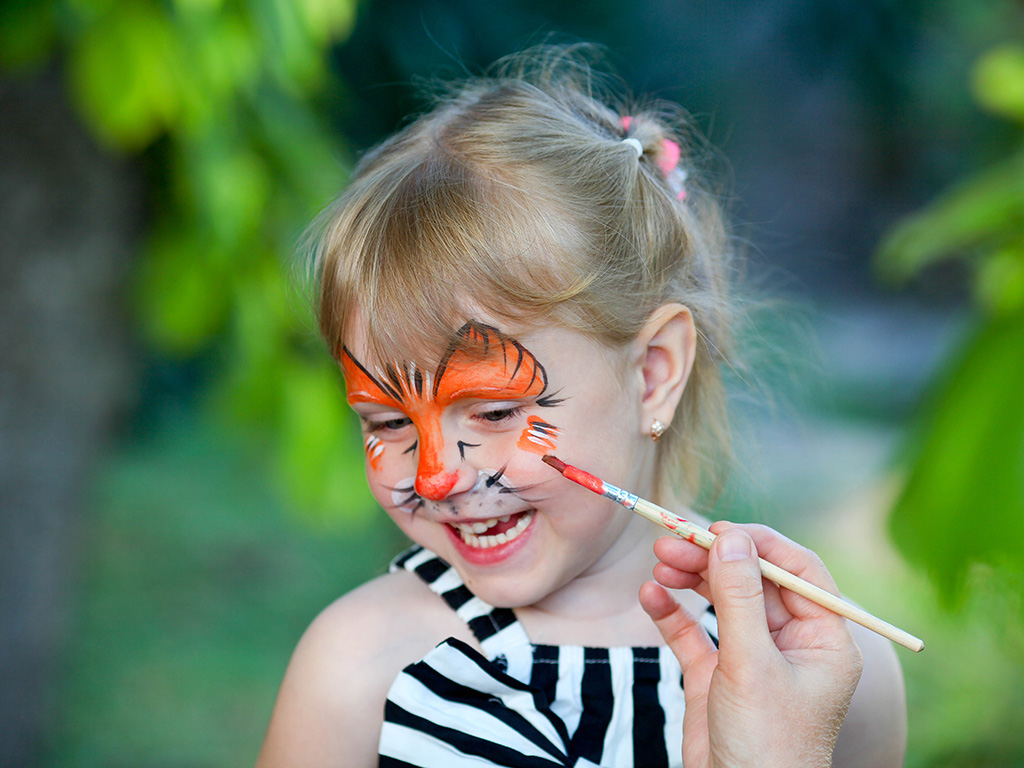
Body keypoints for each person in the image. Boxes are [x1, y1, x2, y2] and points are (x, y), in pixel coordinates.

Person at [256, 45, 906, 768]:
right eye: (388, 422)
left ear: (654, 373)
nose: (438, 476)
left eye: (496, 412)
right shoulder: (359, 675)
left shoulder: (823, 676)